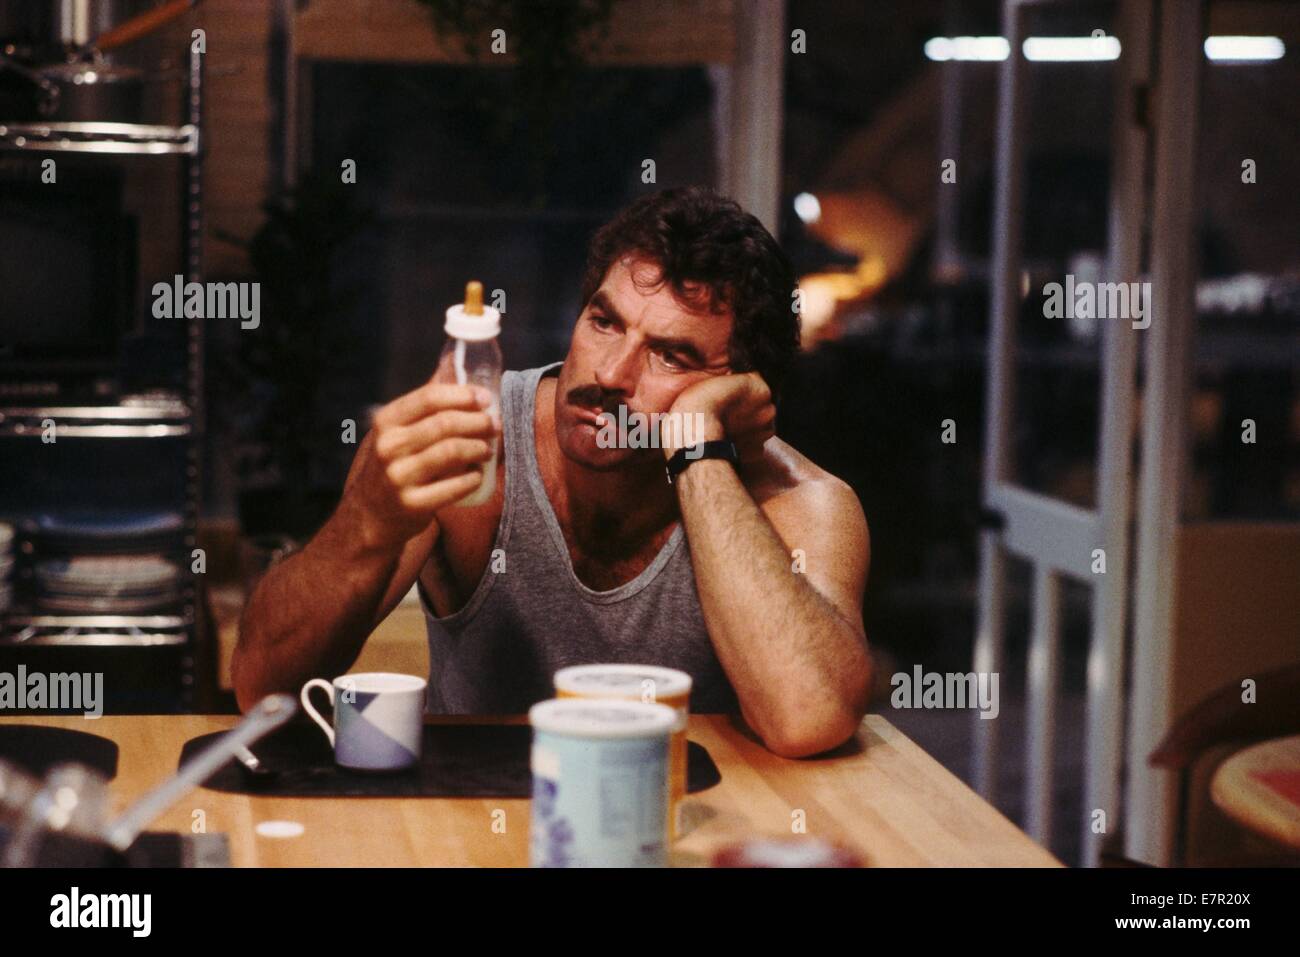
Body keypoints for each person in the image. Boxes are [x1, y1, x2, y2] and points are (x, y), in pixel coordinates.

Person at [233, 186, 872, 758]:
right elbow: (261, 687)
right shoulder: (474, 444)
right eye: (604, 322)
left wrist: (698, 444)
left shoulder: (800, 503)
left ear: (740, 391)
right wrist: (365, 523)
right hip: (472, 837)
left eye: (671, 357)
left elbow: (808, 720)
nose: (610, 376)